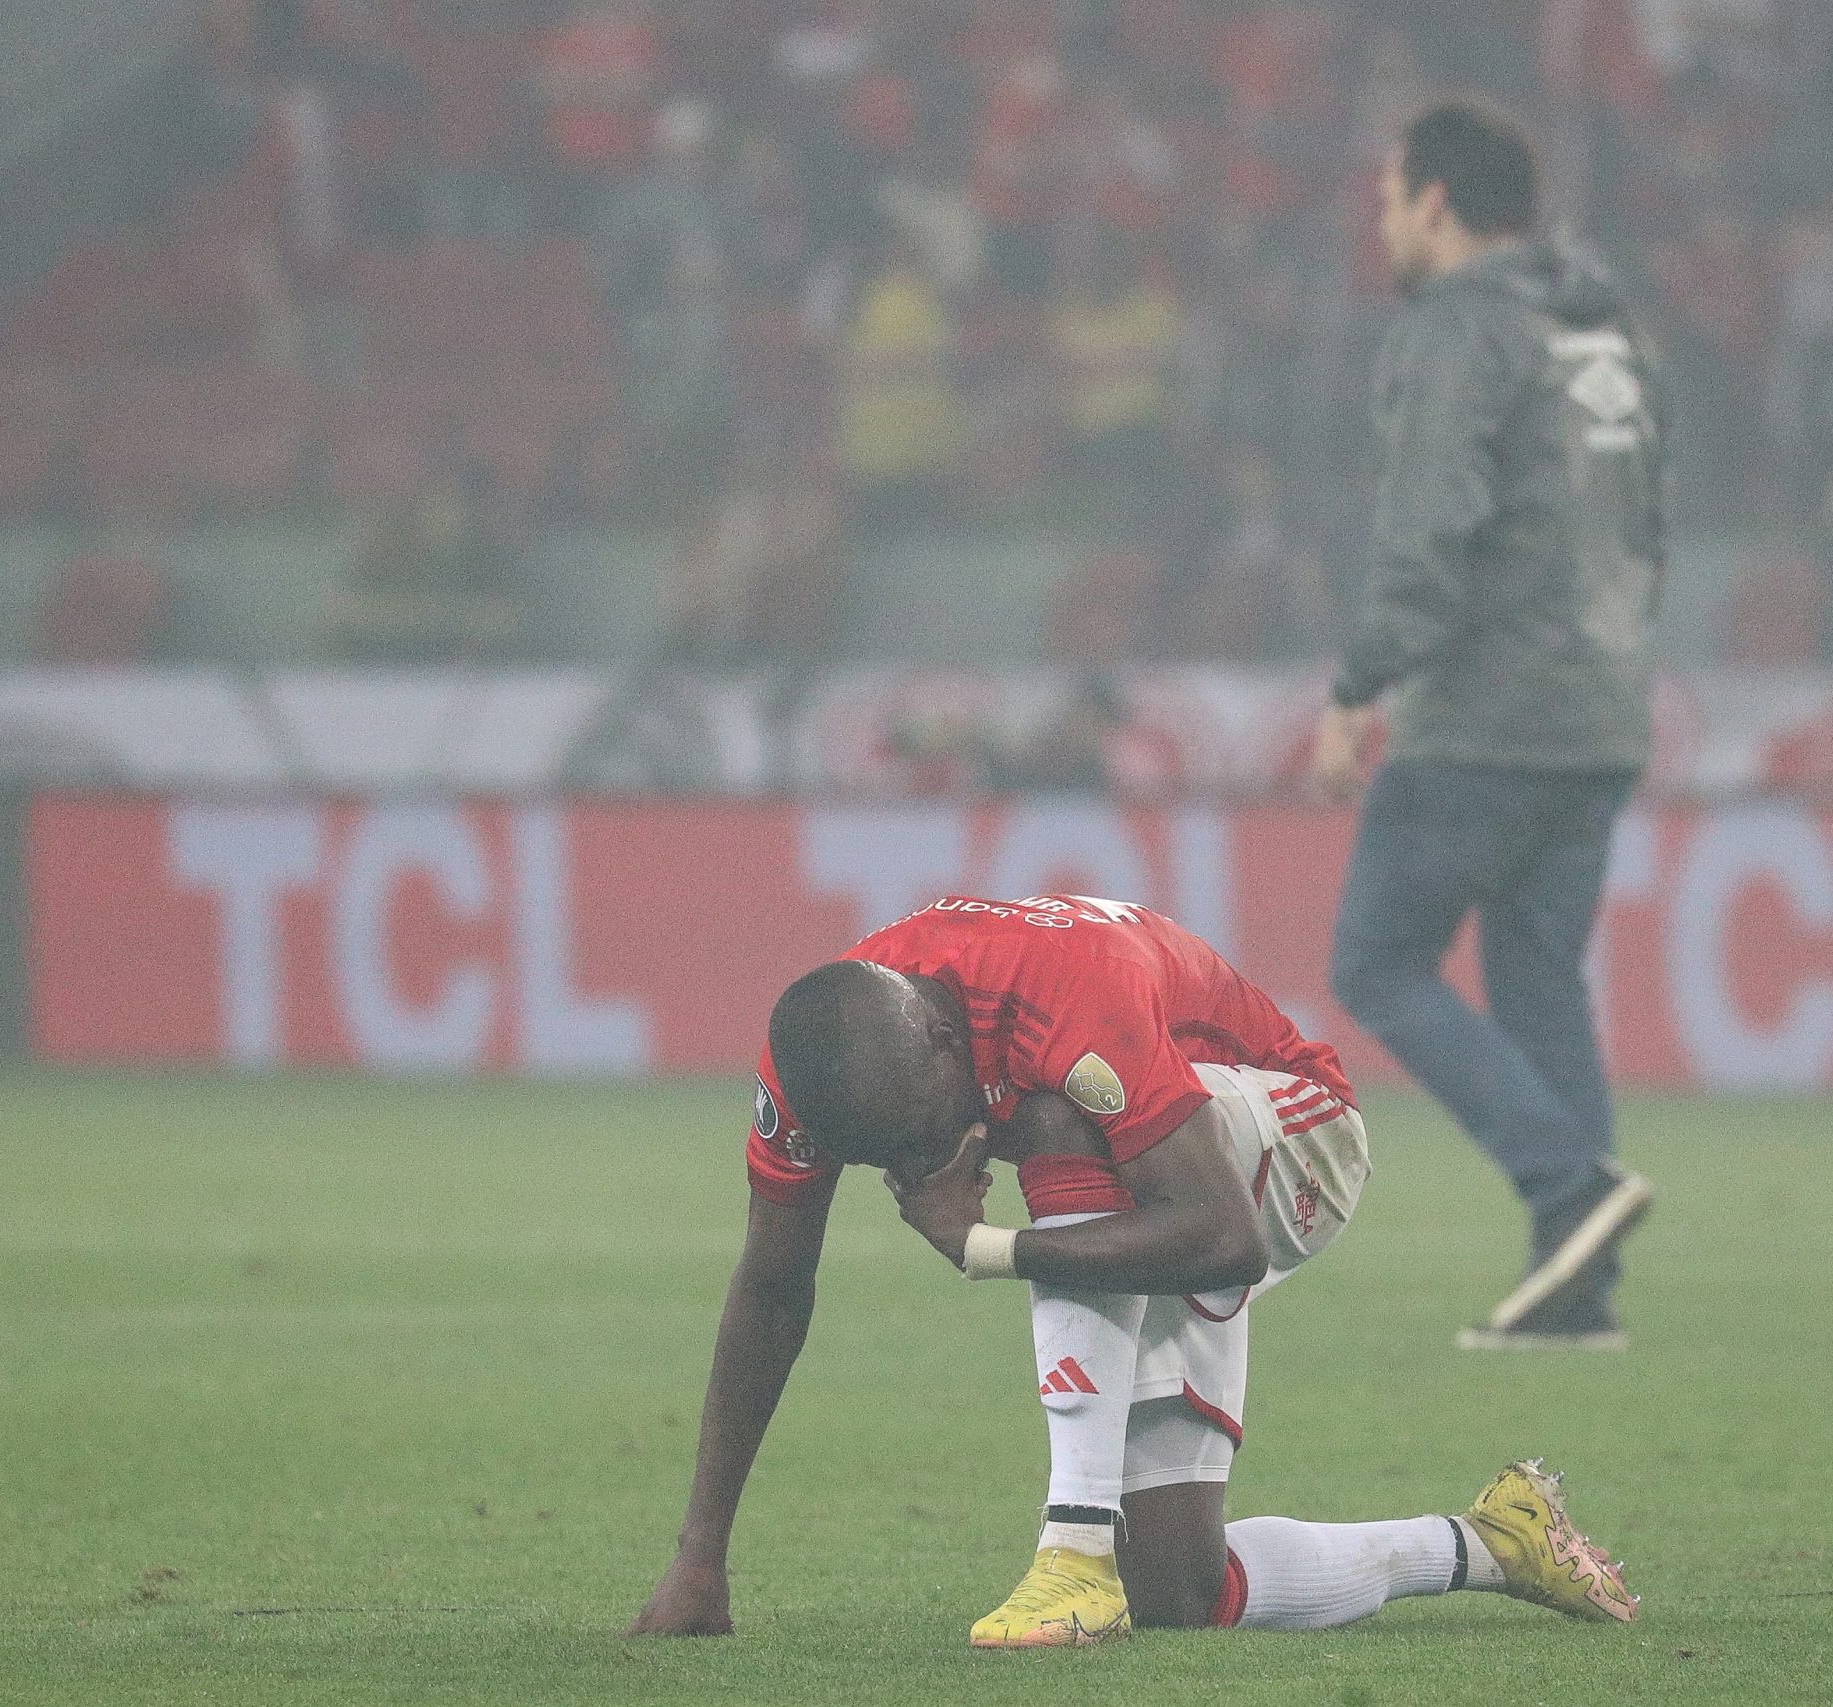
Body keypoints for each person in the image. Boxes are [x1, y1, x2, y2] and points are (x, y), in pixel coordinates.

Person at [630, 893, 1637, 1647]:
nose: (912, 1165)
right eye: (879, 1161)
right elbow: (769, 1293)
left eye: (915, 1134)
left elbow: (1221, 1236)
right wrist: (698, 1559)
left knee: (1056, 1113)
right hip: (1148, 1179)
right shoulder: (815, 1074)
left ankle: (1069, 1551)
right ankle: (1489, 1542)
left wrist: (980, 1249)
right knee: (1176, 1592)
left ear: (944, 1039)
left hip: (1291, 1141)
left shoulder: (1062, 995)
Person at [1311, 101, 1664, 1350]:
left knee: (1374, 960)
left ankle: (1566, 1185)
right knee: (1534, 977)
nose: (1383, 219)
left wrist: (1359, 688)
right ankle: (1575, 1295)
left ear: (1439, 202)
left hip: (1488, 719)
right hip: (1601, 709)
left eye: (1391, 195)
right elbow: (1641, 523)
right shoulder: (1598, 326)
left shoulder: (1460, 329)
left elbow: (1429, 532)